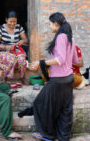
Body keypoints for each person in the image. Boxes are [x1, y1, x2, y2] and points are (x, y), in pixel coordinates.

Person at [29, 12, 78, 141]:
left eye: (50, 24)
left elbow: (60, 59)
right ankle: (62, 137)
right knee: (64, 110)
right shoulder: (70, 38)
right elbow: (74, 60)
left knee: (40, 103)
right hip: (68, 79)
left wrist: (42, 62)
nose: (50, 26)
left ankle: (46, 134)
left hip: (59, 80)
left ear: (56, 24)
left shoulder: (61, 37)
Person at [0, 10, 28, 84]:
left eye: (14, 21)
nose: (12, 23)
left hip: (16, 51)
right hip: (4, 52)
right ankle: (5, 78)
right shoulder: (1, 29)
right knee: (11, 59)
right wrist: (6, 47)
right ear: (6, 20)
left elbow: (25, 40)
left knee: (22, 60)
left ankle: (23, 77)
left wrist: (22, 41)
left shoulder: (19, 27)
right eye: (10, 21)